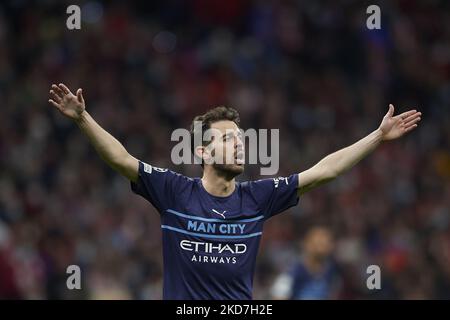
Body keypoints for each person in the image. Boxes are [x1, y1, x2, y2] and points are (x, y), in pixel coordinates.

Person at [48, 83, 421, 299]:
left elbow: (325, 171)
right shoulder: (174, 192)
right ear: (203, 151)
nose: (240, 145)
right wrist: (83, 118)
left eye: (241, 139)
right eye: (228, 139)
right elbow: (122, 160)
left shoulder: (257, 197)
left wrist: (377, 136)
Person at [271, 226, 341, 300]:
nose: (321, 248)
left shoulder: (333, 271)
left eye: (325, 243)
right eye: (318, 243)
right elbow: (278, 296)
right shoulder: (291, 273)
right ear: (307, 244)